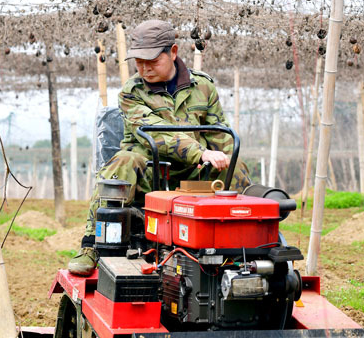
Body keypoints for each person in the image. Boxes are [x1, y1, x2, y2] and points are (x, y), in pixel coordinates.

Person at [68, 19, 251, 275]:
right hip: (150, 175)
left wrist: (224, 158)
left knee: (236, 166)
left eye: (152, 61)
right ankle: (92, 244)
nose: (144, 69)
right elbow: (156, 132)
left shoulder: (204, 87)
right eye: (139, 63)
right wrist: (199, 152)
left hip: (193, 176)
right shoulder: (131, 92)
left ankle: (247, 243)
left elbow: (220, 135)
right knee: (123, 161)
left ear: (173, 53)